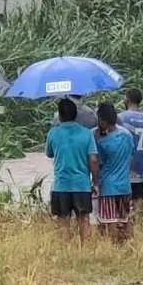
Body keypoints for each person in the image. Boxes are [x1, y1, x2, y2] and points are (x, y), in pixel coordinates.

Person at [46, 97, 97, 243]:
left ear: (59, 116)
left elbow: (49, 153)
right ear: (75, 115)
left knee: (63, 220)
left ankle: (66, 252)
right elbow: (93, 159)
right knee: (84, 219)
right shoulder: (87, 133)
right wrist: (96, 182)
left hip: (61, 185)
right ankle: (86, 250)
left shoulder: (53, 133)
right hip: (82, 185)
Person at [94, 102, 137, 242]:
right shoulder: (127, 135)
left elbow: (98, 163)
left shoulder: (103, 143)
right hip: (125, 185)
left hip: (108, 187)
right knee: (125, 219)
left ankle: (113, 247)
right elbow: (131, 156)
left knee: (110, 220)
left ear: (103, 121)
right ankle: (129, 245)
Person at [118, 88, 143, 221]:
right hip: (141, 166)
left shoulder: (121, 118)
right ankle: (138, 226)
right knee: (138, 200)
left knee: (124, 202)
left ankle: (125, 227)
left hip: (125, 168)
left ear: (126, 100)